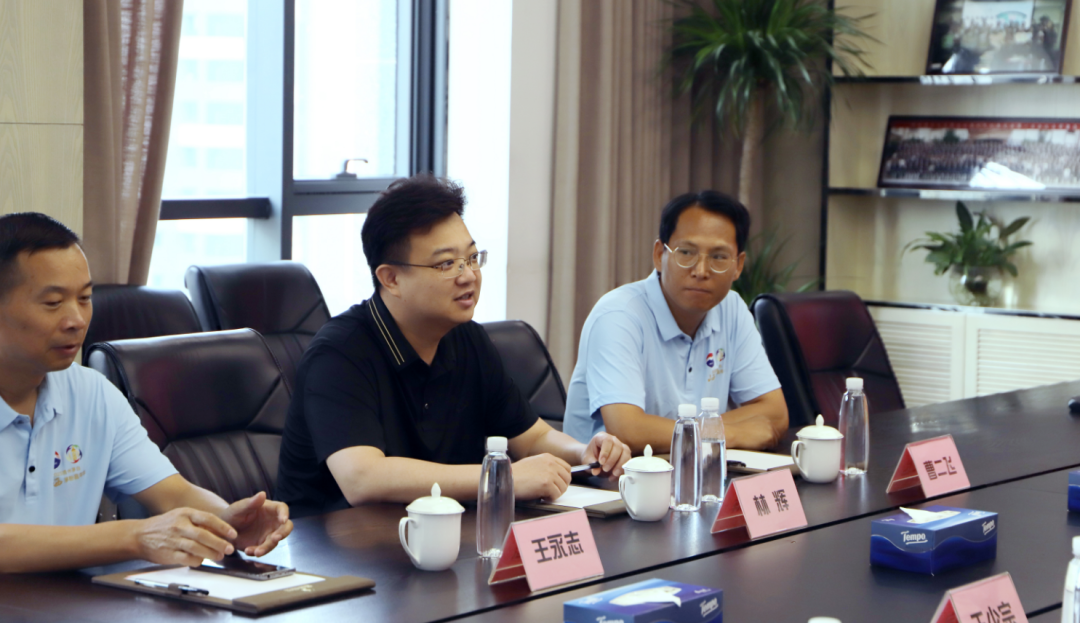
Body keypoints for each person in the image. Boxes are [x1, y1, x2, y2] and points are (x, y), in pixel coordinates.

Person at [276, 174, 632, 517]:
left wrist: (583, 452)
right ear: (391, 278)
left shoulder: (468, 339)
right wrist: (500, 477)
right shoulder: (339, 353)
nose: (469, 276)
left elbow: (531, 436)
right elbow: (362, 478)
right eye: (447, 264)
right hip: (337, 545)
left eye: (472, 258)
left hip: (440, 537)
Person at [0, 213, 293, 573]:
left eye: (85, 297)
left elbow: (171, 493)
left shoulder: (92, 393)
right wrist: (134, 536)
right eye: (53, 303)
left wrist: (225, 522)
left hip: (74, 598)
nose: (76, 319)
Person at [562, 191, 788, 453]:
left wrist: (677, 432)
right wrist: (727, 434)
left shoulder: (732, 309)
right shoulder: (619, 315)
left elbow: (774, 414)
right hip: (614, 475)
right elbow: (627, 430)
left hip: (697, 469)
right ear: (660, 254)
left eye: (718, 257)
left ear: (738, 265)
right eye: (686, 252)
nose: (701, 271)